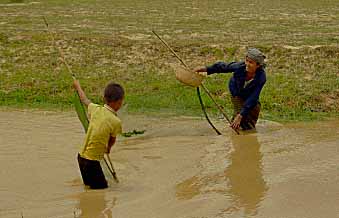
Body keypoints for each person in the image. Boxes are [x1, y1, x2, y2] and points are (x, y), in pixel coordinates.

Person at [195, 48, 266, 131]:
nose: (247, 64)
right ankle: (239, 131)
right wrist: (205, 69)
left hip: (249, 94)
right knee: (241, 115)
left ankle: (244, 127)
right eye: (246, 60)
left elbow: (253, 97)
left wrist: (241, 115)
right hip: (236, 91)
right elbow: (223, 67)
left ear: (258, 65)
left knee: (255, 109)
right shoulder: (240, 67)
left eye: (251, 62)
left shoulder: (261, 77)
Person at [73, 80, 124, 189]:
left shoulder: (96, 109)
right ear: (119, 102)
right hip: (92, 162)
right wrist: (108, 148)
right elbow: (112, 139)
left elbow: (84, 99)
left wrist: (78, 86)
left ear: (105, 99)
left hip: (81, 157)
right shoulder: (116, 122)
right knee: (102, 190)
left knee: (88, 188)